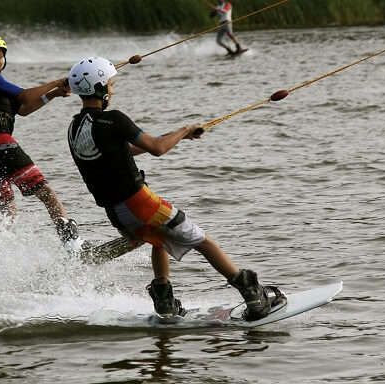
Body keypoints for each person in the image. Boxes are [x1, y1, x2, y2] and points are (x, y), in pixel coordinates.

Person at [65, 56, 278, 321]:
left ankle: (165, 304)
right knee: (202, 240)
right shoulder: (114, 119)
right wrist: (184, 128)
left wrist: (176, 136)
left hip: (116, 211)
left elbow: (124, 151)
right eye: (110, 84)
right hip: (140, 202)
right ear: (98, 87)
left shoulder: (74, 128)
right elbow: (157, 149)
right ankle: (253, 296)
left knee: (159, 240)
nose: (113, 89)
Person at [0, 33, 82, 248]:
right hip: (1, 144)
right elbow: (25, 96)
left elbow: (24, 109)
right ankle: (72, 242)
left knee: (6, 212)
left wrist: (53, 94)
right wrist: (56, 81)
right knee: (46, 193)